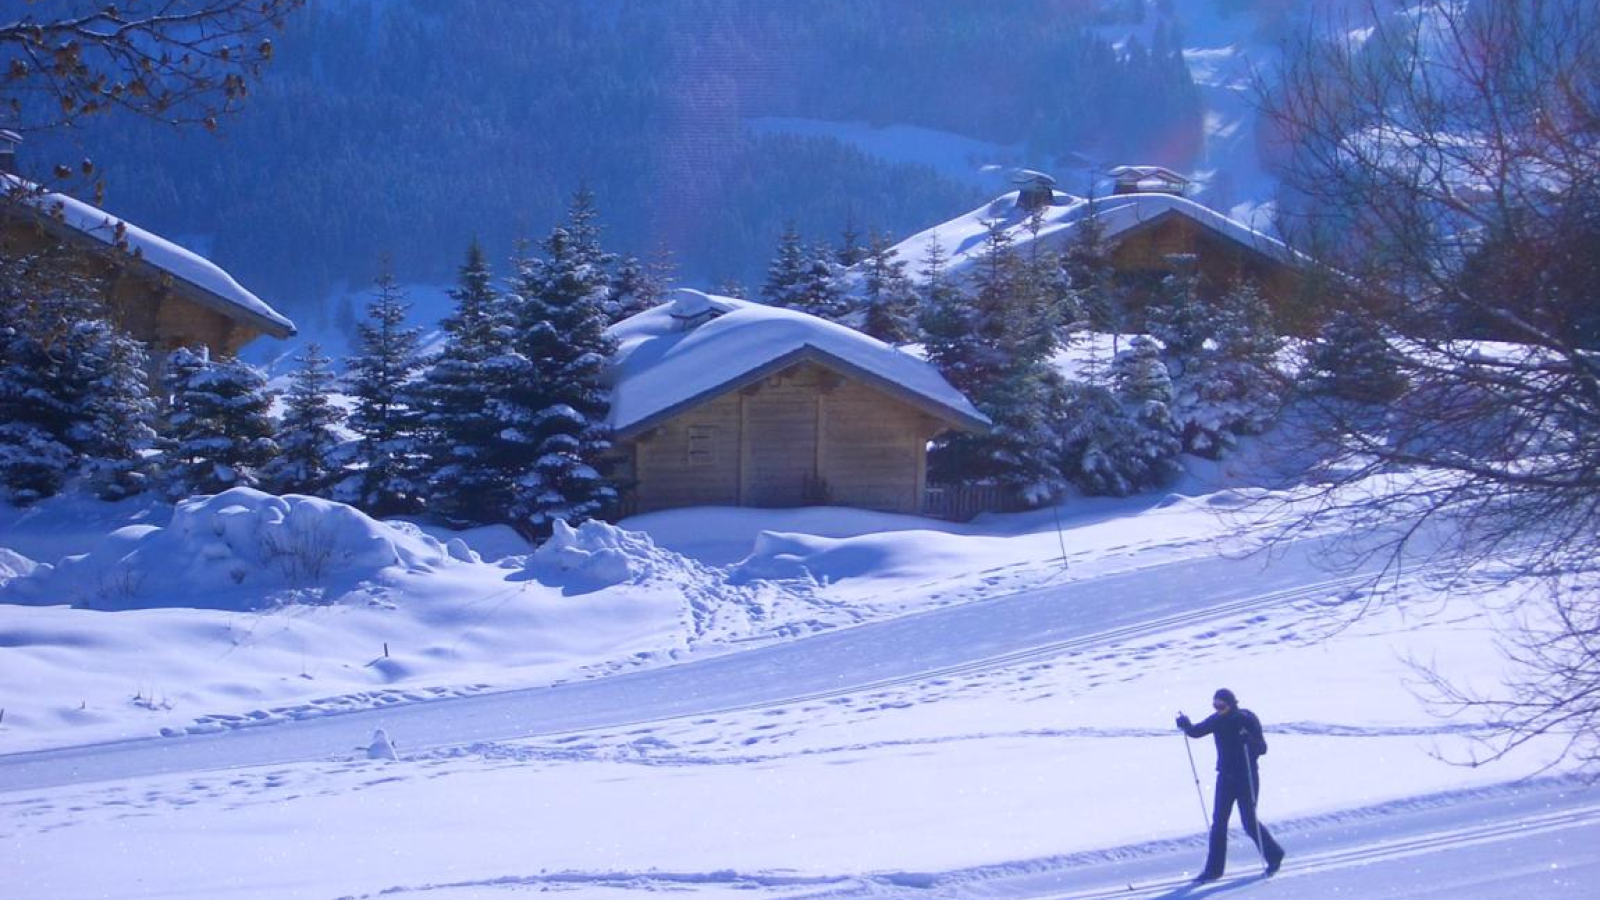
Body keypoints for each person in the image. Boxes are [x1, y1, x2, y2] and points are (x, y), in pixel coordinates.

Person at [1176, 688, 1286, 882]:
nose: (1218, 709)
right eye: (1215, 705)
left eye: (1221, 705)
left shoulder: (1246, 718)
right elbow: (1197, 732)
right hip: (1225, 778)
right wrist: (1185, 725)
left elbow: (1262, 748)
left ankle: (1274, 855)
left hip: (1246, 776)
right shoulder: (1217, 719)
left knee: (1249, 821)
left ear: (1232, 703)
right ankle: (1214, 870)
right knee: (1218, 824)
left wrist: (1248, 740)